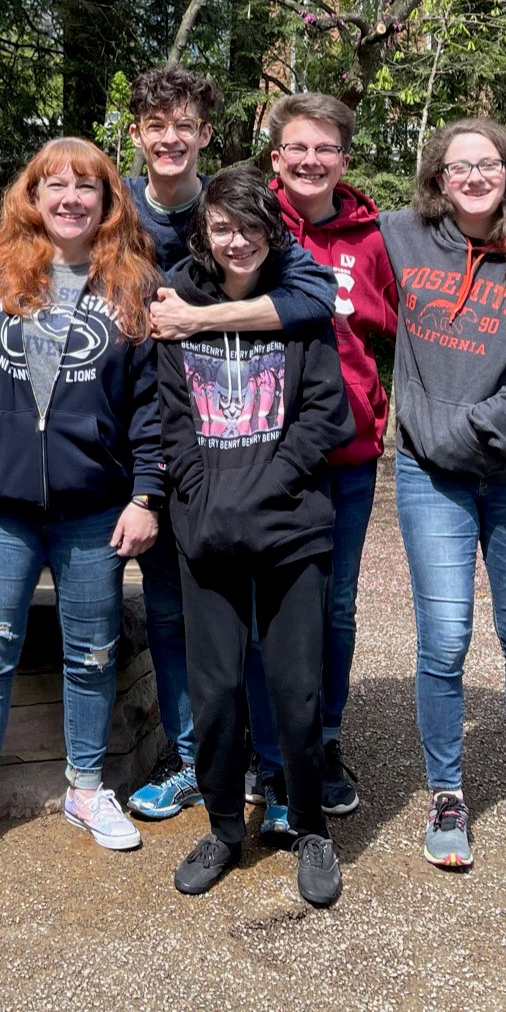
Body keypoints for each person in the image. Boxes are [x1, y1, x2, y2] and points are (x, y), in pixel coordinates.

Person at [0, 67, 338, 824]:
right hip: (149, 473)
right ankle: (195, 758)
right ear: (138, 135)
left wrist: (196, 324)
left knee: (260, 624)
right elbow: (3, 286)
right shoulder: (93, 203)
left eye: (184, 125)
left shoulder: (226, 207)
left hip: (219, 466)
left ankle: (272, 765)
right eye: (157, 125)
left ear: (204, 135)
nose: (170, 138)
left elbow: (312, 296)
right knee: (171, 618)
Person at [0, 138, 166, 870]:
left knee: (92, 653)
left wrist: (145, 493)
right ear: (30, 196)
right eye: (52, 185)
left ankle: (86, 787)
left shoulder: (134, 286)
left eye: (84, 187)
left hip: (95, 509)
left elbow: (152, 404)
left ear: (106, 199)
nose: (68, 198)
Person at [380, 117, 506, 870]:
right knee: (444, 637)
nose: (472, 175)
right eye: (458, 164)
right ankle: (446, 792)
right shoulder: (399, 237)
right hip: (429, 477)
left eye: (485, 162)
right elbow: (305, 243)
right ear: (436, 175)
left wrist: (461, 431)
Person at [157, 165, 354, 908]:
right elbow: (170, 417)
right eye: (221, 227)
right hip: (204, 529)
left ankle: (308, 828)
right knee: (213, 694)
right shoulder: (176, 310)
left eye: (249, 227)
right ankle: (219, 827)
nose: (236, 240)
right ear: (205, 234)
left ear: (271, 232)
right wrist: (205, 500)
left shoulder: (298, 315)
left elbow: (323, 416)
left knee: (295, 691)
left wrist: (265, 489)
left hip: (291, 529)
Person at [242, 94, 398, 831]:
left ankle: (325, 739)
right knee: (258, 601)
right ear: (275, 155)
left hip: (346, 453)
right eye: (296, 147)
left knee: (334, 603)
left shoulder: (375, 238)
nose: (309, 160)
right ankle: (264, 745)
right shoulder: (248, 222)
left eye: (324, 148)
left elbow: (414, 322)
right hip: (257, 450)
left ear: (343, 157)